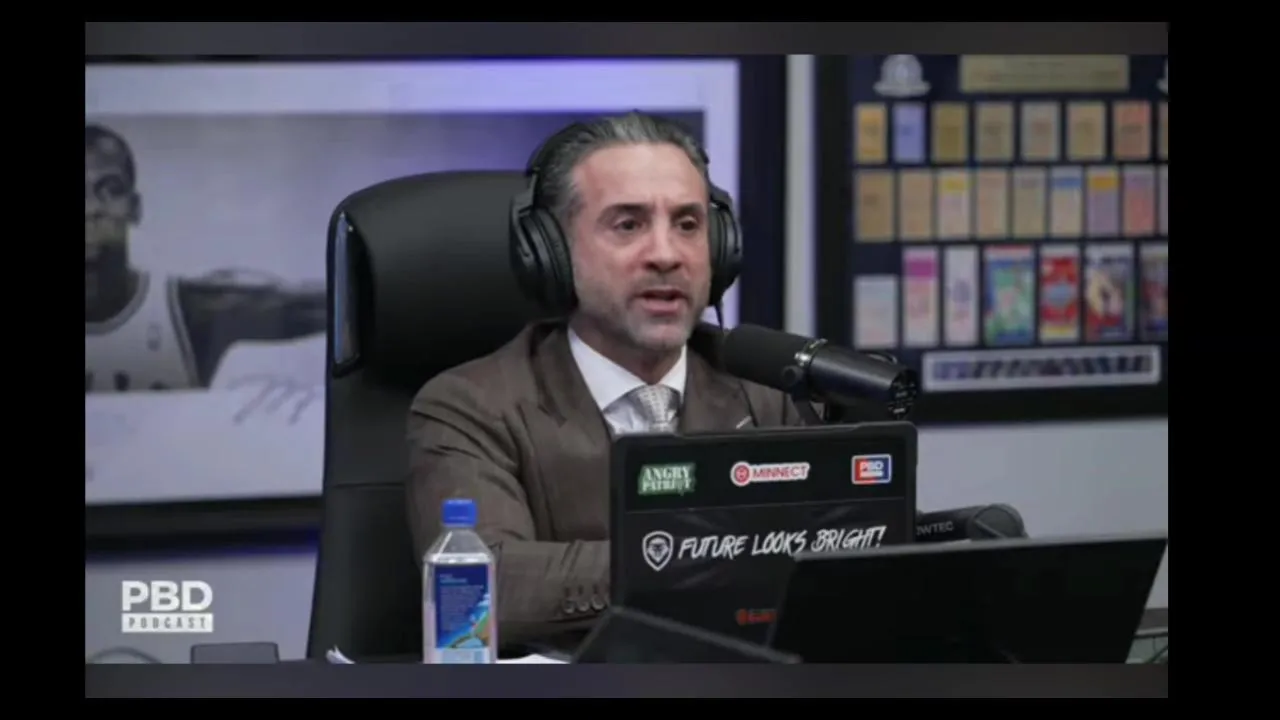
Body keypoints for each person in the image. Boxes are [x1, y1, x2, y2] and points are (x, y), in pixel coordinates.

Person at [406, 113, 804, 649]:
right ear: (551, 252)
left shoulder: (765, 392)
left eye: (688, 225)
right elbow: (485, 587)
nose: (666, 255)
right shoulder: (469, 406)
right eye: (628, 224)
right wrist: (712, 556)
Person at [85, 124, 327, 393]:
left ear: (135, 208)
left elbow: (306, 305)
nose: (91, 208)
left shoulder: (188, 310)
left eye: (110, 190)